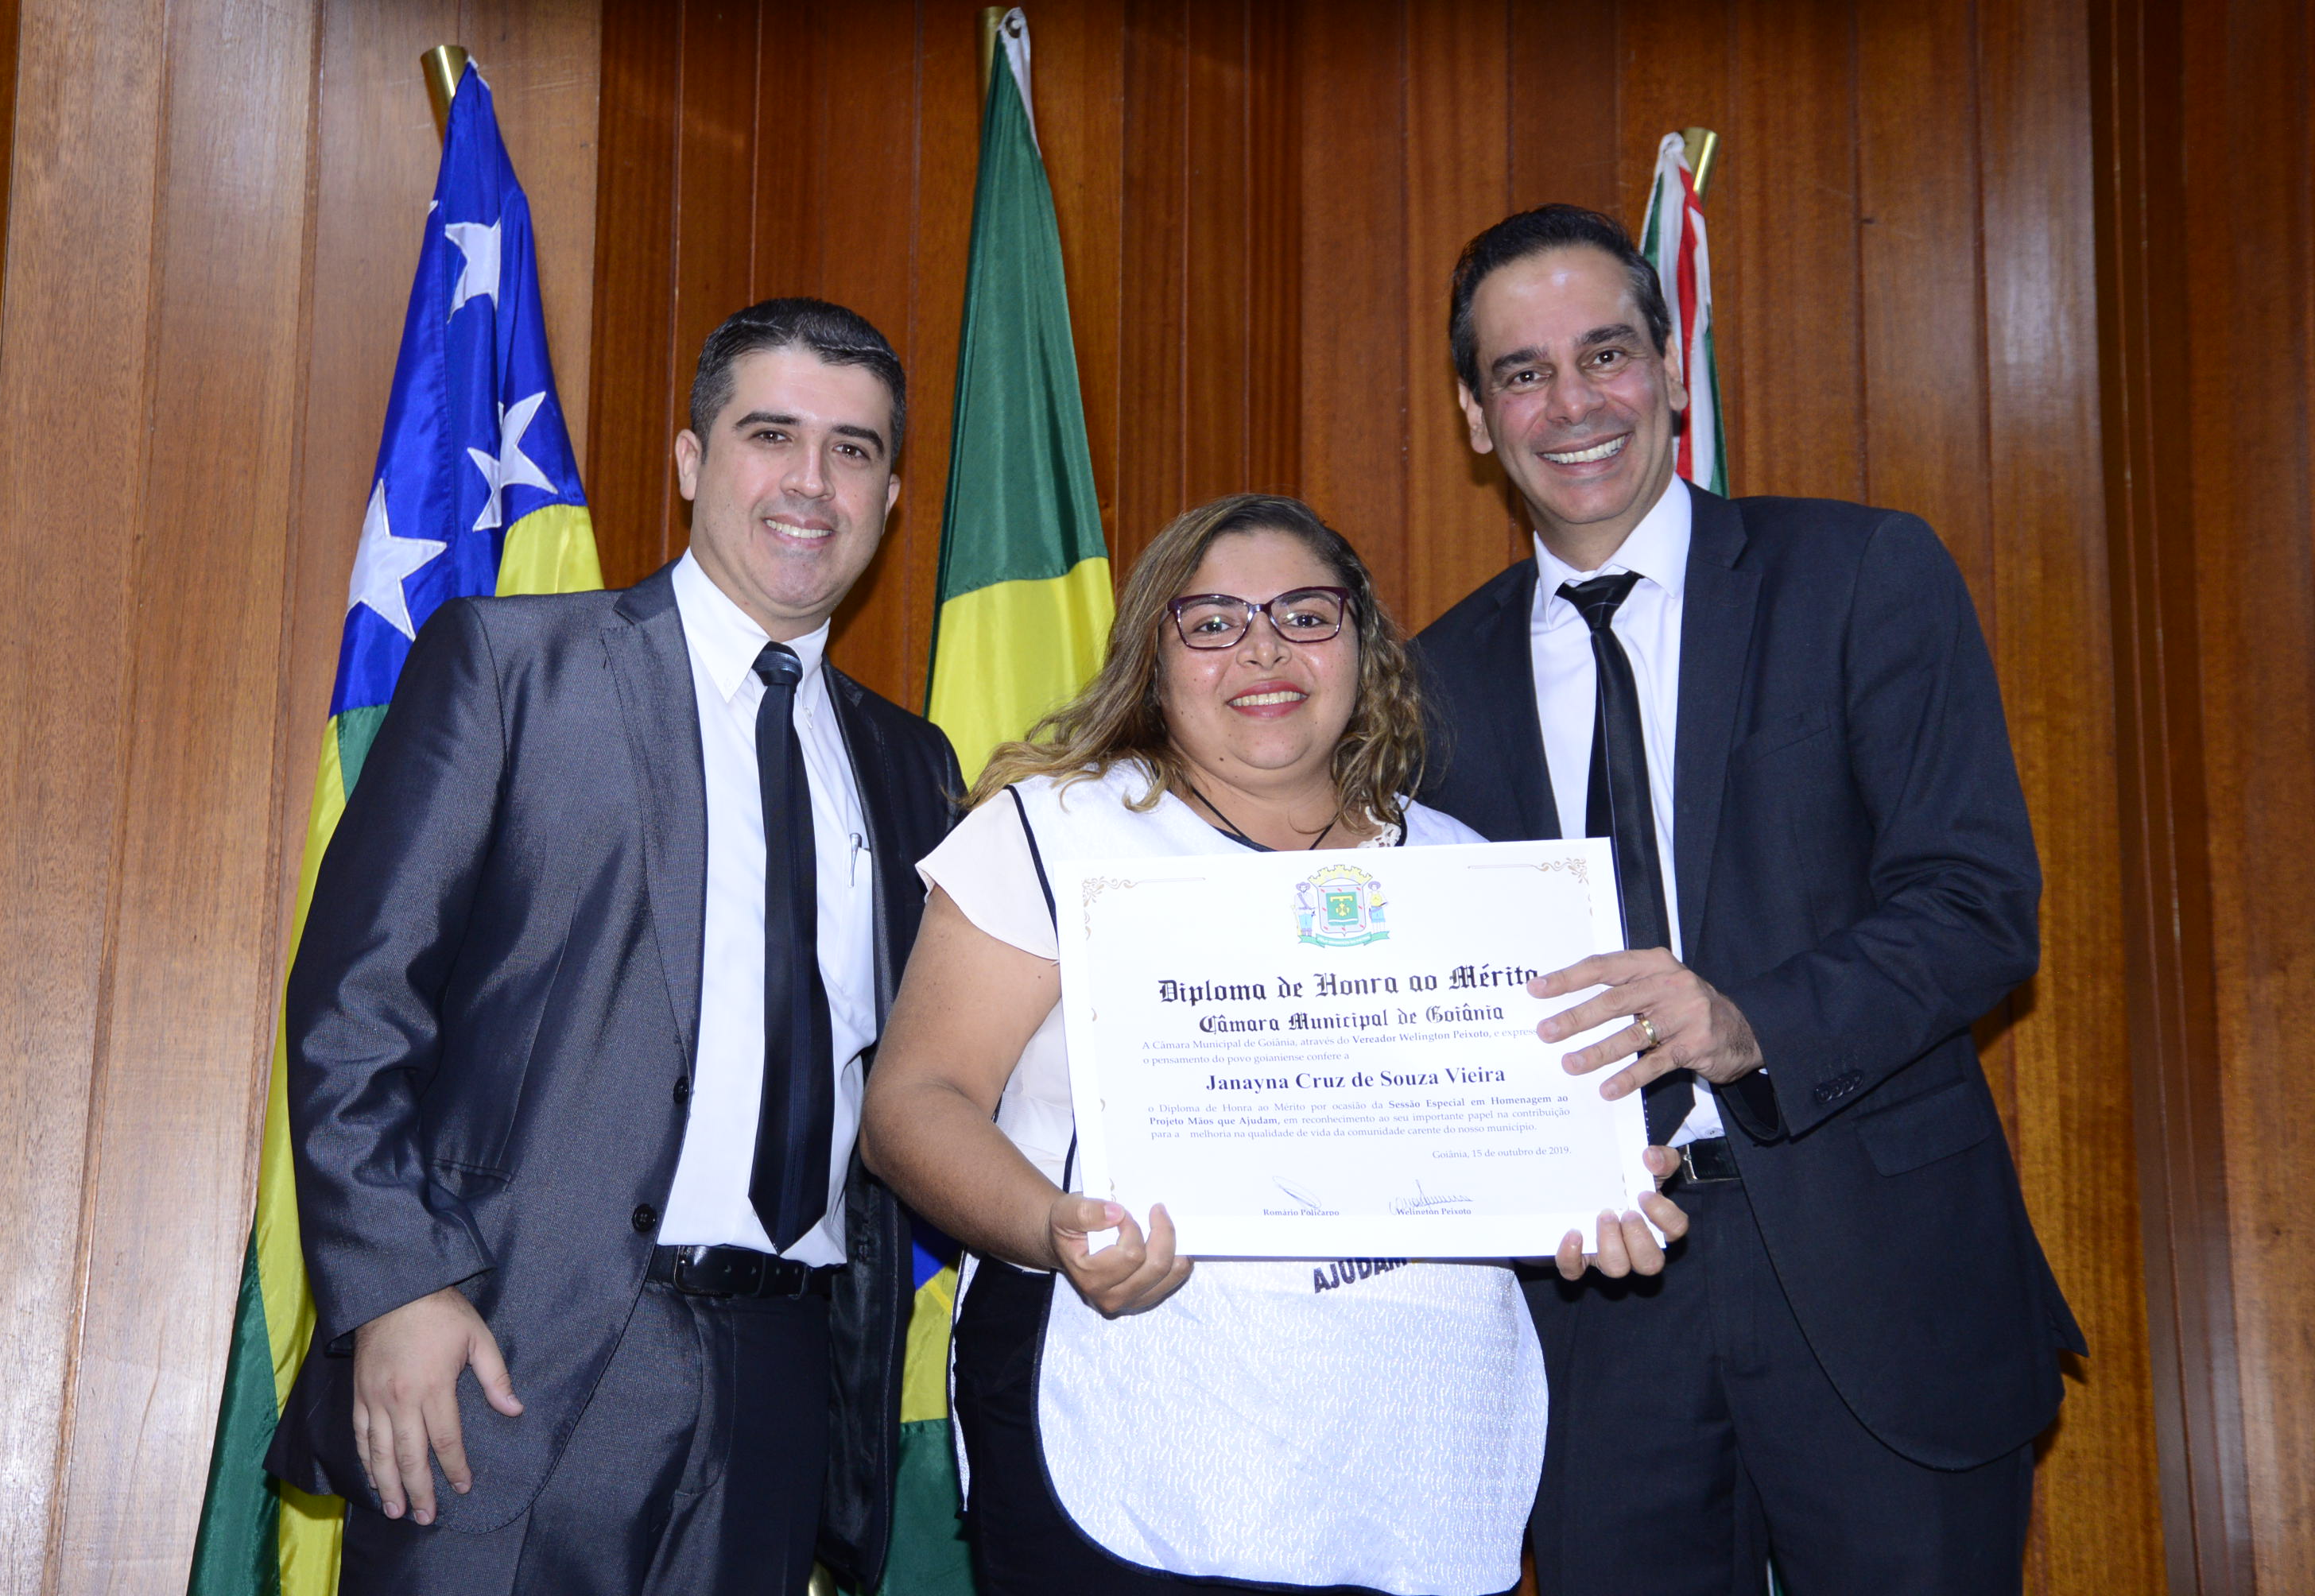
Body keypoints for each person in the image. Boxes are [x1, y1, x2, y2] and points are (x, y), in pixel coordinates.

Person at [1411, 205, 2084, 1595]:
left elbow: (1976, 905)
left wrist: (1745, 1024)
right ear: (1477, 417)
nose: (1574, 403)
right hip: (1591, 1315)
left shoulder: (1859, 574)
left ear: (1670, 365)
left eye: (1606, 353)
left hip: (1880, 1279)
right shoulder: (1425, 688)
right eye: (1525, 373)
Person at [859, 492, 1687, 1596]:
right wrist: (1053, 1229)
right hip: (1126, 1426)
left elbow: (1529, 1148)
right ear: (1154, 658)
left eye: (1305, 615)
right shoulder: (1056, 829)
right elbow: (914, 1104)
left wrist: (1593, 1197)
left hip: (1420, 1445)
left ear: (1363, 646)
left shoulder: (1473, 872)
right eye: (1212, 623)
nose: (1263, 650)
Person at [264, 298, 963, 1595]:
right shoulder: (514, 668)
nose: (812, 482)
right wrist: (399, 1287)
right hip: (502, 1363)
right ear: (692, 461)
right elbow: (356, 1002)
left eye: (854, 450)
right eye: (771, 435)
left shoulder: (913, 765)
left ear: (891, 497)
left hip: (785, 1389)